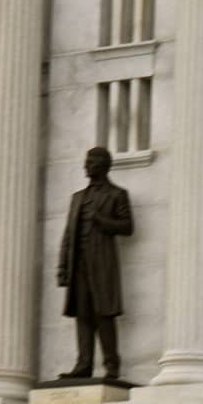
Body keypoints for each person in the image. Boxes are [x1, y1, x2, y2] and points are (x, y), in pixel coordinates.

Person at [57, 146, 133, 380]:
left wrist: (102, 221)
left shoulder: (117, 194)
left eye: (90, 162)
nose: (85, 166)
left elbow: (127, 226)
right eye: (86, 162)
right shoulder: (77, 198)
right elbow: (68, 235)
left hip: (102, 264)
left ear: (103, 165)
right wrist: (62, 267)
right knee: (83, 314)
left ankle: (112, 365)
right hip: (78, 264)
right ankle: (84, 364)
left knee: (104, 313)